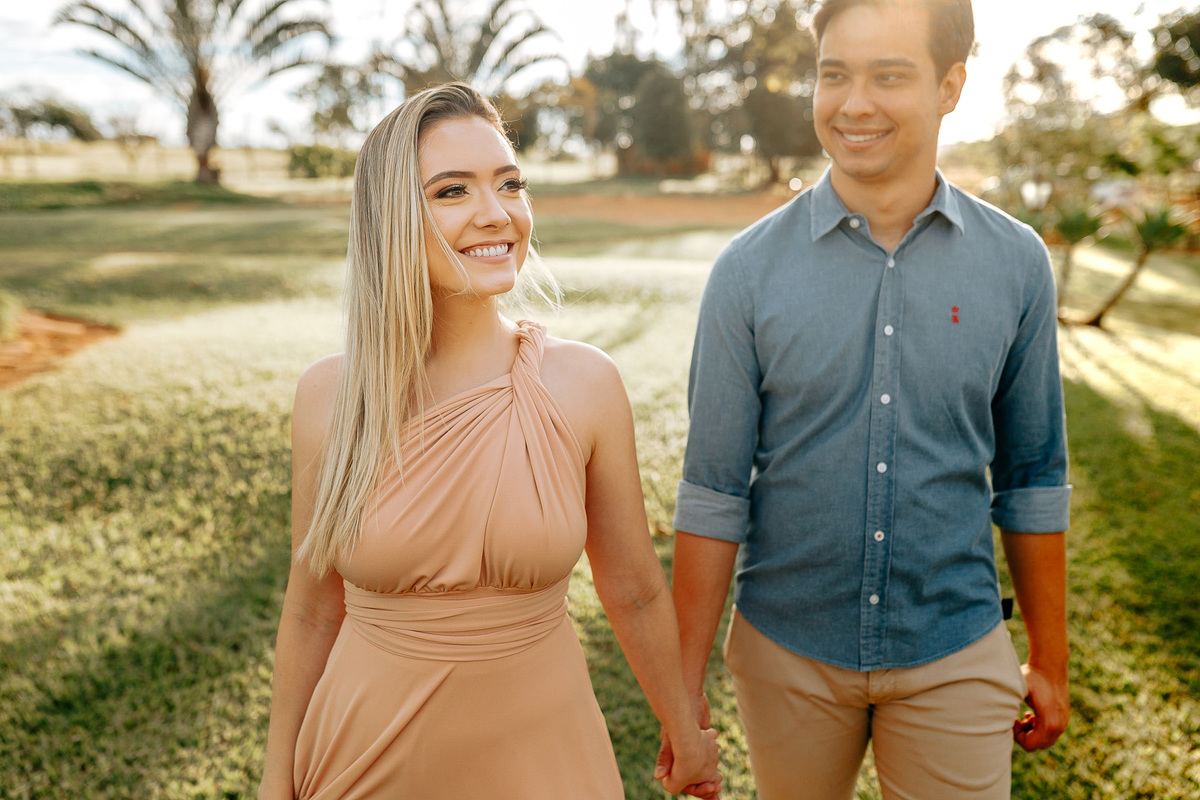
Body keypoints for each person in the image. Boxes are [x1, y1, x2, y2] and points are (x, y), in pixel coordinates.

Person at [257, 82, 720, 800]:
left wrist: (683, 730)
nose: (496, 213)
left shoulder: (585, 383)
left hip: (548, 758)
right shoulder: (329, 397)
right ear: (391, 219)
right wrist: (275, 781)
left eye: (510, 183)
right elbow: (314, 607)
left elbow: (631, 587)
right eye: (452, 191)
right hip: (364, 759)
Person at [663, 1, 1071, 798]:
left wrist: (1049, 659)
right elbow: (712, 493)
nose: (853, 104)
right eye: (833, 75)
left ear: (951, 85)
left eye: (889, 76)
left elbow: (1033, 478)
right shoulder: (745, 274)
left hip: (956, 646)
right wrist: (683, 692)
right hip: (787, 650)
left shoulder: (1017, 264)